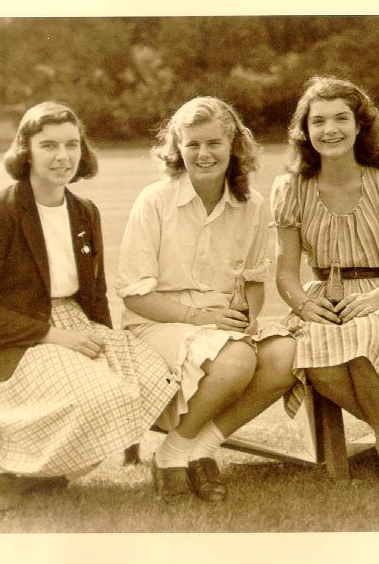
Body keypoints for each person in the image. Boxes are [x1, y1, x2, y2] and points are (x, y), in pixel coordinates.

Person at [0, 101, 178, 511]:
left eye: (71, 145)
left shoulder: (84, 211)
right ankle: (2, 467)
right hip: (14, 340)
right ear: (27, 150)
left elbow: (94, 297)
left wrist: (111, 346)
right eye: (49, 146)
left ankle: (49, 474)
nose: (63, 157)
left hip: (75, 324)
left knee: (153, 376)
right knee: (101, 394)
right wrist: (55, 337)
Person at [116, 96, 296, 502]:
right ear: (177, 148)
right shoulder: (155, 200)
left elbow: (254, 280)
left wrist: (249, 316)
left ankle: (194, 449)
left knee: (286, 355)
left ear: (234, 144)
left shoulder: (253, 205)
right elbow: (135, 297)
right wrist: (199, 317)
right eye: (192, 144)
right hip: (159, 322)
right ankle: (174, 456)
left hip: (220, 324)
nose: (203, 154)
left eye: (214, 143)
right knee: (236, 361)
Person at [270, 76, 379, 494]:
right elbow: (287, 272)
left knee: (360, 339)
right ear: (305, 132)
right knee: (314, 352)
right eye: (319, 121)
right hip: (321, 297)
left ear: (360, 124)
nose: (331, 130)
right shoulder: (290, 188)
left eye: (341, 118)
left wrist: (376, 298)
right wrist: (304, 306)